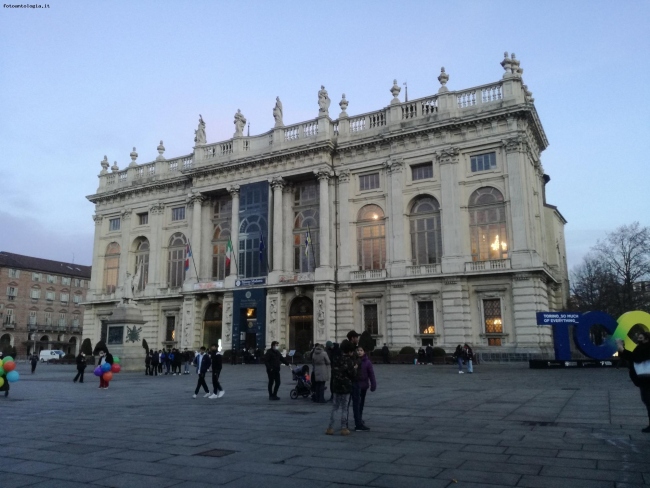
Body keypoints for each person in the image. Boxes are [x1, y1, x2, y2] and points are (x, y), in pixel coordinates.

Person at [617, 332, 650, 433]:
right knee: (647, 400)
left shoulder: (647, 348)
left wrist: (621, 347)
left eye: (641, 338)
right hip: (644, 380)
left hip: (647, 380)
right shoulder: (642, 347)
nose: (639, 340)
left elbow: (636, 357)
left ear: (647, 339)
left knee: (648, 400)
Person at [326, 341, 357, 436]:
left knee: (335, 407)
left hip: (336, 385)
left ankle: (330, 428)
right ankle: (344, 428)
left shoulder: (336, 358)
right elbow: (353, 375)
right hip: (346, 387)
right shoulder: (349, 360)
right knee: (344, 408)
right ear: (350, 351)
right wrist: (355, 368)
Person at [355, 346, 377, 431]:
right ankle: (358, 420)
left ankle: (359, 417)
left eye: (361, 350)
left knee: (361, 404)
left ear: (364, 352)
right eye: (358, 350)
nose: (359, 352)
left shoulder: (367, 362)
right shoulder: (354, 361)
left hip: (364, 385)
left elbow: (371, 374)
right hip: (356, 386)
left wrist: (373, 384)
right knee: (356, 404)